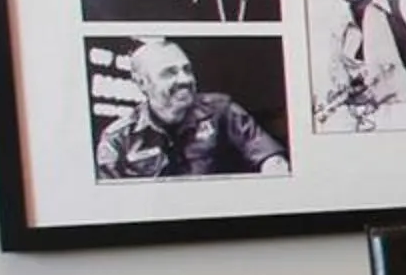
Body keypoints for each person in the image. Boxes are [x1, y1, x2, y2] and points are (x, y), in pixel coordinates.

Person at [95, 40, 287, 177]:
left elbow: (270, 157)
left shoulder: (222, 111)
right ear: (142, 83)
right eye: (169, 73)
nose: (185, 80)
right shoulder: (118, 139)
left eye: (187, 69)